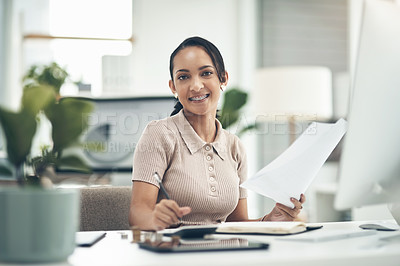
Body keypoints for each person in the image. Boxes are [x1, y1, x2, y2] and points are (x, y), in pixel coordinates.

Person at [129, 36, 305, 231]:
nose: (196, 86)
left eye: (206, 73)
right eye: (183, 77)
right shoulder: (159, 134)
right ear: (173, 87)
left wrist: (269, 220)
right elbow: (138, 214)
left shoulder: (234, 146)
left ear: (223, 78)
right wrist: (154, 219)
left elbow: (235, 224)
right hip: (177, 253)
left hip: (226, 253)